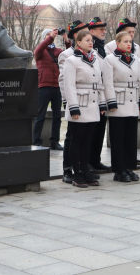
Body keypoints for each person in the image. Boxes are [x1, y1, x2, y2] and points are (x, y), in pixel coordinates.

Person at [63, 30, 107, 188]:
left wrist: (102, 103)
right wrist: (73, 107)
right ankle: (77, 173)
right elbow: (69, 85)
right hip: (79, 106)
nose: (91, 42)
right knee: (77, 141)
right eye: (87, 40)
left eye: (92, 40)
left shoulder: (94, 59)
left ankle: (86, 169)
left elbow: (99, 83)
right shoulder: (72, 60)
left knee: (88, 142)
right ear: (78, 42)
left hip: (93, 105)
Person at [103, 31, 140, 182]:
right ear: (118, 43)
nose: (129, 44)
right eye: (125, 41)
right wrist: (111, 101)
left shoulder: (135, 59)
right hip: (118, 103)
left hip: (132, 101)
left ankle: (129, 167)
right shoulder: (110, 59)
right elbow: (107, 82)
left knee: (130, 139)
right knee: (118, 139)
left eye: (130, 41)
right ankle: (119, 170)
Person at [58, 19, 90, 183]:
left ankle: (84, 167)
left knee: (84, 137)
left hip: (88, 102)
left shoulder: (91, 53)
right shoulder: (66, 55)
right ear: (77, 35)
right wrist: (68, 103)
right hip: (73, 101)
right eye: (86, 31)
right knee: (72, 136)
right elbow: (64, 81)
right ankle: (67, 169)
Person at [33, 28, 71, 149]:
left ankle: (54, 142)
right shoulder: (41, 51)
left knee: (57, 116)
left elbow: (70, 54)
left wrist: (66, 40)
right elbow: (39, 49)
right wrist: (51, 37)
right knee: (40, 115)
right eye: (48, 35)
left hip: (57, 87)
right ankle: (36, 141)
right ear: (45, 38)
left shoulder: (58, 51)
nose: (51, 36)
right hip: (44, 86)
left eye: (52, 34)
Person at [87, 17, 112, 172]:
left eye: (104, 29)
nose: (104, 31)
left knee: (100, 129)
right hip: (92, 95)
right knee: (91, 131)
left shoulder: (103, 48)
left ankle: (96, 160)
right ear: (92, 31)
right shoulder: (91, 48)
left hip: (102, 94)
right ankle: (88, 162)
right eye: (100, 29)